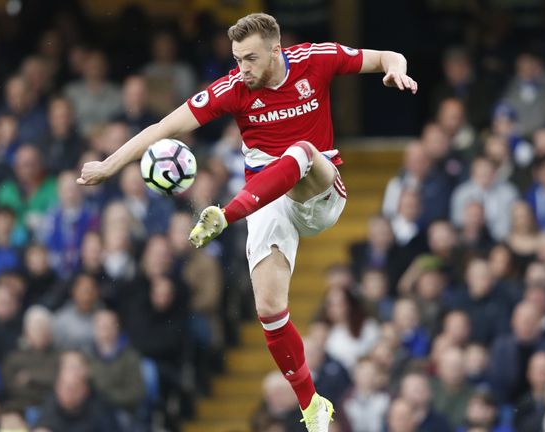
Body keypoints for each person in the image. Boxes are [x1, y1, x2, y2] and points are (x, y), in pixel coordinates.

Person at [77, 12, 417, 431]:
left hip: (318, 189)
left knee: (301, 151)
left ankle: (225, 216)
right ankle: (313, 406)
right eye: (237, 59)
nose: (243, 69)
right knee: (270, 310)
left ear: (277, 50)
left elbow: (387, 56)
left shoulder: (316, 59)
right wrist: (109, 166)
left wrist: (396, 71)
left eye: (251, 59)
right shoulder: (233, 88)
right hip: (267, 200)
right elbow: (165, 127)